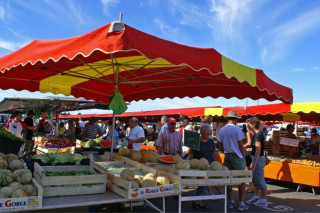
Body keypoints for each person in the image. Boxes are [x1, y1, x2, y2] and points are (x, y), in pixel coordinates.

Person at [217, 111, 248, 211]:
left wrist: (226, 151)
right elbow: (240, 145)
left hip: (227, 155)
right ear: (235, 120)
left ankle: (231, 202)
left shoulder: (222, 130)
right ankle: (241, 203)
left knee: (228, 179)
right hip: (237, 155)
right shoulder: (237, 129)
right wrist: (243, 157)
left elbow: (220, 145)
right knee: (242, 180)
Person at [189, 124, 216, 210]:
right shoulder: (196, 141)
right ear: (201, 132)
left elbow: (213, 153)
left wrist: (216, 162)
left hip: (209, 166)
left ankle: (198, 202)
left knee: (204, 185)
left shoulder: (210, 141)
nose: (208, 133)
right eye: (206, 131)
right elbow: (191, 155)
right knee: (203, 184)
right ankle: (198, 201)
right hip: (199, 167)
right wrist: (191, 165)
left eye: (209, 131)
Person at [246, 117, 268, 207]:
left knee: (260, 181)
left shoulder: (258, 135)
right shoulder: (256, 134)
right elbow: (256, 149)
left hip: (258, 160)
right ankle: (256, 197)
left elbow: (258, 151)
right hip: (257, 159)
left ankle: (263, 200)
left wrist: (254, 164)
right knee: (256, 180)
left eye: (248, 124)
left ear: (253, 125)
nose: (247, 126)